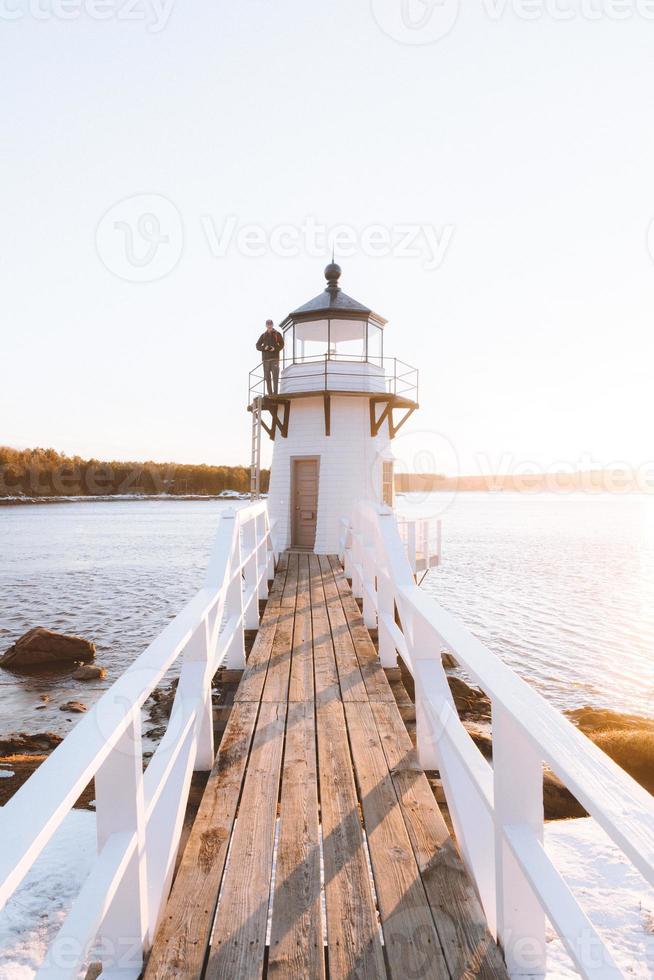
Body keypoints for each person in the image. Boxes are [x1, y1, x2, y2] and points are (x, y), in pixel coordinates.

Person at [256, 319, 284, 396]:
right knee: (267, 378)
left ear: (272, 324)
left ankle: (275, 393)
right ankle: (270, 394)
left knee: (275, 377)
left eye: (270, 324)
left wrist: (274, 348)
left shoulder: (277, 334)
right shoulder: (263, 335)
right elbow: (257, 346)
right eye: (268, 324)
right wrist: (264, 348)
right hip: (266, 360)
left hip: (275, 359)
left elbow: (282, 344)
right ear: (266, 325)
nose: (269, 325)